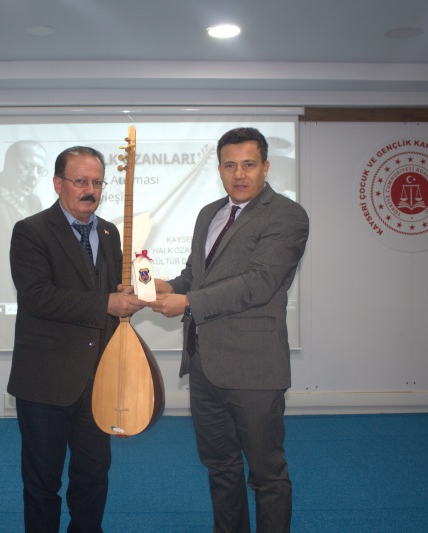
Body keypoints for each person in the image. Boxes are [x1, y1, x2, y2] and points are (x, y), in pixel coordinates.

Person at [148, 127, 309, 533]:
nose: (239, 174)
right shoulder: (209, 213)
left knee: (267, 474)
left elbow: (259, 283)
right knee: (220, 466)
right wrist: (169, 286)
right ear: (219, 169)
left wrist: (188, 302)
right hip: (204, 365)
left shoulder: (287, 215)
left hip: (255, 370)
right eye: (230, 165)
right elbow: (196, 275)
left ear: (266, 167)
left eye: (249, 164)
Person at [8, 145, 147, 533]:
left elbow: (109, 291)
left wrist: (129, 295)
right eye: (81, 181)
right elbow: (38, 297)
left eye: (98, 182)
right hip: (45, 381)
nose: (90, 190)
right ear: (58, 184)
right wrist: (107, 302)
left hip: (100, 377)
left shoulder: (109, 231)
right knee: (43, 482)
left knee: (93, 476)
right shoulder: (31, 231)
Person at [0, 141, 47, 305]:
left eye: (39, 170)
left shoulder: (34, 202)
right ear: (8, 164)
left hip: (29, 293)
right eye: (27, 166)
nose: (33, 177)